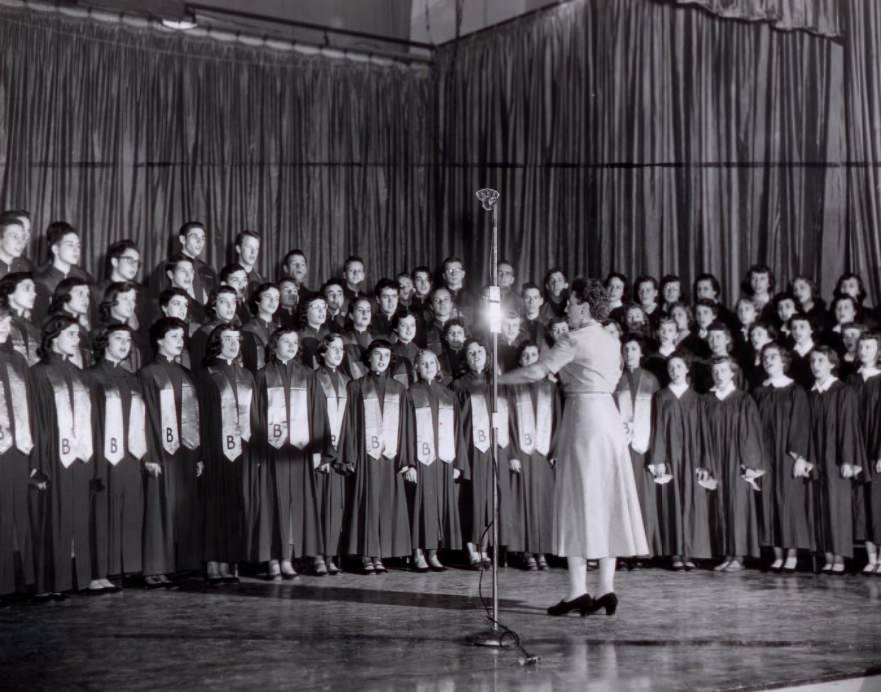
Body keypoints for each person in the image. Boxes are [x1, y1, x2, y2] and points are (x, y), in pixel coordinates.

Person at [499, 278, 648, 617]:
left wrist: (498, 380)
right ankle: (606, 588)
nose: (565, 306)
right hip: (607, 419)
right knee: (607, 501)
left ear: (583, 305)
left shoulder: (574, 339)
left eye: (571, 301)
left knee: (578, 501)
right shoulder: (612, 340)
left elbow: (537, 371)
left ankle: (578, 590)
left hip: (583, 420)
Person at [253, 328, 330, 578]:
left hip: (300, 451)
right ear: (274, 346)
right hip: (272, 452)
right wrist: (258, 451)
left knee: (295, 505)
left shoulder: (307, 375)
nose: (291, 346)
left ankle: (288, 558)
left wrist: (319, 449)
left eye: (294, 342)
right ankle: (273, 559)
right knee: (273, 504)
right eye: (285, 341)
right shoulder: (262, 376)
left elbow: (318, 413)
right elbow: (254, 417)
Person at [31, 315, 98, 597]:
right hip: (53, 457)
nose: (77, 339)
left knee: (77, 515)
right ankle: (49, 584)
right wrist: (38, 465)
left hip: (80, 457)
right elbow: (36, 422)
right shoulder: (39, 373)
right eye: (71, 334)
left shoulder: (78, 373)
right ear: (53, 337)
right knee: (53, 516)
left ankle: (76, 579)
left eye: (77, 334)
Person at [139, 317, 202, 588]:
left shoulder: (186, 374)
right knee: (158, 507)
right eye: (174, 336)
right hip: (162, 452)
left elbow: (196, 418)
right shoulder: (148, 374)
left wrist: (199, 455)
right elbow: (145, 419)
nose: (180, 341)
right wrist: (150, 454)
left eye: (181, 336)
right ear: (159, 340)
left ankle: (180, 563)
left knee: (181, 507)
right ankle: (154, 567)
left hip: (186, 452)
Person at [339, 339, 412, 573]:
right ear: (368, 358)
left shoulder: (399, 390)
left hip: (390, 457)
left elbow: (405, 428)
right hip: (365, 454)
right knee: (366, 503)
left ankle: (379, 554)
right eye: (377, 355)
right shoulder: (356, 386)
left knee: (385, 504)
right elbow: (348, 424)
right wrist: (349, 456)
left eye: (386, 356)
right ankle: (366, 555)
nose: (381, 359)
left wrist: (406, 460)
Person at [88, 324, 147, 589]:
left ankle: (124, 567)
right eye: (118, 338)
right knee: (103, 510)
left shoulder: (131, 378)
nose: (125, 344)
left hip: (130, 455)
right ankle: (101, 570)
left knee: (130, 508)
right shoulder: (91, 377)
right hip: (103, 455)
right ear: (104, 341)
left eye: (128, 340)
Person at [198, 324, 256, 584]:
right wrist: (201, 454)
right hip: (215, 450)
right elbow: (199, 418)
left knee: (236, 506)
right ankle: (213, 563)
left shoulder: (247, 376)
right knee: (215, 506)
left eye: (237, 339)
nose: (234, 344)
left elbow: (255, 417)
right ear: (216, 342)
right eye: (227, 339)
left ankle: (231, 561)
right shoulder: (206, 374)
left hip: (243, 451)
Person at [451, 338, 516, 568]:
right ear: (465, 359)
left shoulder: (496, 383)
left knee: (491, 499)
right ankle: (472, 550)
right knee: (471, 499)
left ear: (487, 355)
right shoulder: (458, 386)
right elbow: (454, 424)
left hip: (494, 450)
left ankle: (485, 549)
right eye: (470, 353)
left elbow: (507, 418)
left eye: (479, 351)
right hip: (470, 449)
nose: (476, 356)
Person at [649, 352, 715, 570]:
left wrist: (706, 463)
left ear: (687, 369)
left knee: (692, 502)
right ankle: (676, 553)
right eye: (671, 367)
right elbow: (657, 430)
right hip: (669, 457)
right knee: (672, 502)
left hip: (693, 456)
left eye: (679, 367)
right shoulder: (661, 396)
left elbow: (705, 432)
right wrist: (658, 460)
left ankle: (691, 552)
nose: (674, 371)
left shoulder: (697, 399)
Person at [752, 343, 813, 573]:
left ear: (784, 360)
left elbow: (801, 425)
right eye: (765, 357)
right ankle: (776, 554)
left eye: (774, 357)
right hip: (765, 454)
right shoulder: (759, 392)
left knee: (788, 503)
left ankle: (792, 555)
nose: (769, 361)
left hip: (787, 454)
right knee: (768, 502)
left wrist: (799, 456)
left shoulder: (795, 391)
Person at [701, 356, 766, 572]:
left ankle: (738, 556)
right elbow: (701, 434)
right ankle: (726, 554)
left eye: (723, 370)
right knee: (720, 506)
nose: (719, 375)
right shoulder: (706, 400)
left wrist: (749, 464)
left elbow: (750, 433)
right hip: (715, 458)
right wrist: (704, 463)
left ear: (732, 373)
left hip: (737, 460)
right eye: (715, 371)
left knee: (737, 505)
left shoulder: (743, 399)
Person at [403, 349, 464, 572]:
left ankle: (433, 552)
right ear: (417, 368)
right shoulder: (409, 394)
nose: (428, 366)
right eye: (423, 363)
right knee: (421, 506)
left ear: (438, 366)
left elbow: (458, 432)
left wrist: (458, 464)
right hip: (421, 460)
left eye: (432, 363)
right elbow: (405, 432)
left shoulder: (449, 395)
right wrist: (408, 463)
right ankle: (417, 553)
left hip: (443, 460)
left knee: (438, 506)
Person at [808, 346, 866, 574]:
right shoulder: (811, 394)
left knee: (837, 506)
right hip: (817, 457)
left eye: (820, 360)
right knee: (820, 507)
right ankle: (828, 556)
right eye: (812, 361)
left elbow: (849, 427)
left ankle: (840, 558)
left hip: (837, 457)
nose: (815, 365)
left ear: (832, 364)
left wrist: (848, 460)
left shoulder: (843, 391)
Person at [508, 341, 558, 570]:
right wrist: (512, 454)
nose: (530, 359)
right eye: (525, 356)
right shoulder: (512, 387)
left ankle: (542, 552)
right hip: (522, 454)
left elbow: (559, 422)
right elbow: (507, 423)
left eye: (534, 355)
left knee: (543, 505)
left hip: (544, 454)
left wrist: (556, 451)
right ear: (520, 361)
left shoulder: (550, 388)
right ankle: (527, 552)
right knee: (524, 504)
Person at [614, 335, 660, 560]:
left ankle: (643, 551)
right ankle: (624, 551)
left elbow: (658, 418)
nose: (630, 353)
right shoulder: (615, 380)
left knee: (643, 498)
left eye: (634, 348)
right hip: (622, 448)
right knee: (622, 499)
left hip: (643, 447)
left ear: (641, 353)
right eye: (626, 349)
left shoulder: (651, 380)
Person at [0, 305, 34, 601]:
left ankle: (14, 583)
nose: (3, 327)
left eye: (6, 322)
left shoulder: (18, 360)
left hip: (17, 447)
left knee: (15, 515)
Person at [314, 334, 351, 575]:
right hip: (321, 454)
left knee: (336, 507)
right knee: (319, 506)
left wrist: (345, 456)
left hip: (339, 456)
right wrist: (321, 453)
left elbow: (350, 423)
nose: (338, 353)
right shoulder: (314, 379)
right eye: (333, 349)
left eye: (341, 349)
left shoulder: (347, 381)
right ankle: (318, 556)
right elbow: (313, 419)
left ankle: (331, 555)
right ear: (322, 352)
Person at [240, 283, 280, 373]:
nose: (273, 301)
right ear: (257, 300)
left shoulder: (280, 331)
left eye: (276, 298)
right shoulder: (247, 329)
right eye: (268, 296)